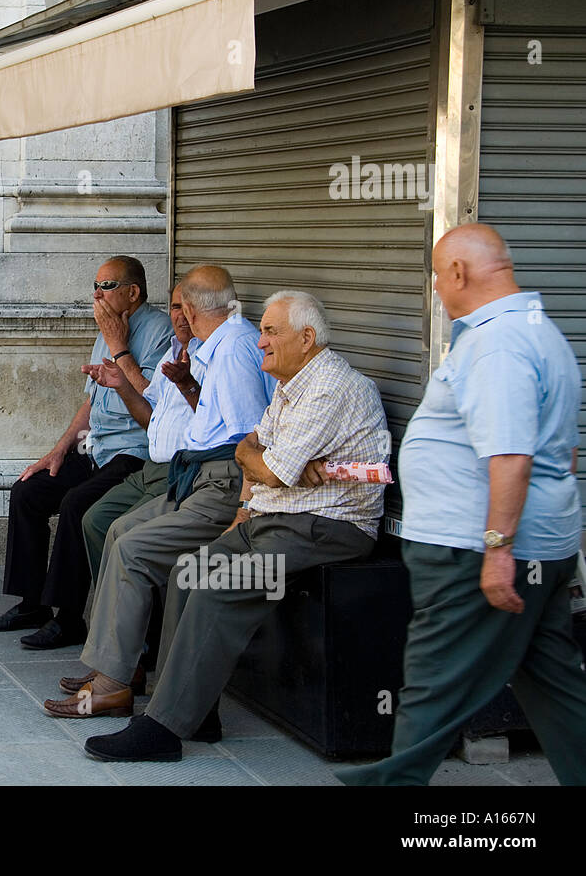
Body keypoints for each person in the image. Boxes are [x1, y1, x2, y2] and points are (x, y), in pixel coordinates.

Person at [72, 291, 389, 763]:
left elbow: (271, 469)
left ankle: (162, 729)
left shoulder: (330, 387)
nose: (260, 341)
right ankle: (191, 713)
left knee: (214, 584)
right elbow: (247, 452)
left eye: (270, 332)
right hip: (276, 517)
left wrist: (264, 462)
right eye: (261, 330)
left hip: (326, 526)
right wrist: (257, 471)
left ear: (307, 338)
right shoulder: (289, 383)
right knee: (188, 571)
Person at [337, 224, 586, 786]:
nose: (438, 291)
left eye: (436, 276)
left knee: (433, 680)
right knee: (552, 683)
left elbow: (512, 455)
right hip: (534, 546)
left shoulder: (498, 342)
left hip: (475, 548)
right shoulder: (539, 332)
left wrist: (498, 549)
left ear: (457, 273)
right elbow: (563, 455)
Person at [43, 264, 273, 712]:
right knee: (113, 530)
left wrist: (244, 515)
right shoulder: (209, 347)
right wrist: (187, 386)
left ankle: (115, 683)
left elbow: (249, 438)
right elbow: (204, 417)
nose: (266, 341)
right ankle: (119, 667)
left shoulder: (233, 349)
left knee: (130, 546)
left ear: (189, 306)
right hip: (194, 475)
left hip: (220, 483)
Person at [0, 257, 172, 650]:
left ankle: (70, 619)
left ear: (132, 292)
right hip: (96, 446)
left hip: (135, 452)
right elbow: (91, 400)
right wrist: (58, 450)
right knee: (29, 491)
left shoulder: (158, 331)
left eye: (106, 286)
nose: (96, 294)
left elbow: (153, 403)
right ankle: (32, 603)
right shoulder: (107, 325)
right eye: (96, 285)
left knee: (76, 505)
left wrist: (120, 347)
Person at [51, 283, 201, 697]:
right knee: (94, 518)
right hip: (153, 464)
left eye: (189, 308)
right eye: (175, 306)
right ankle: (114, 657)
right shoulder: (176, 349)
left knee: (115, 529)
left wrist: (121, 352)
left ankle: (127, 659)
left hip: (181, 471)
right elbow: (149, 412)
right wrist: (119, 384)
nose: (181, 315)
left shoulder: (217, 354)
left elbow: (224, 432)